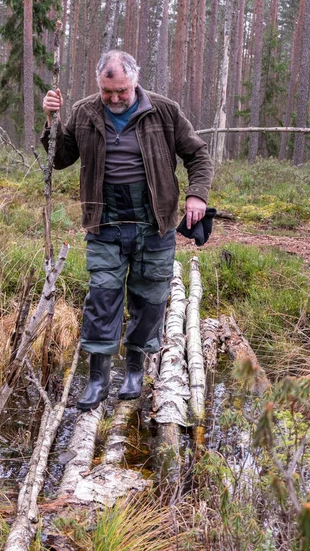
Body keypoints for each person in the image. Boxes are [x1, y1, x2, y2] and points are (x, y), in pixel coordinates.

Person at [41, 50, 213, 411]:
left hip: (155, 223)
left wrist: (197, 195)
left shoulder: (164, 111)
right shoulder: (85, 111)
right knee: (102, 299)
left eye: (122, 91)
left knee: (149, 300)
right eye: (108, 92)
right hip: (105, 222)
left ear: (135, 82)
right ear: (98, 86)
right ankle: (98, 379)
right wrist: (51, 121)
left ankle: (135, 370)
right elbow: (60, 159)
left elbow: (197, 155)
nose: (115, 99)